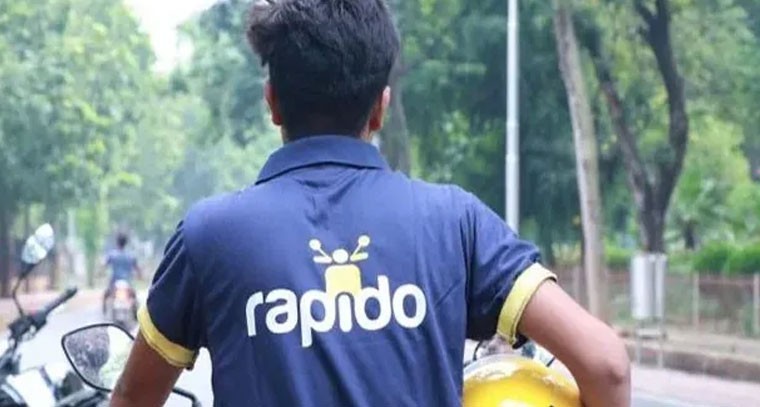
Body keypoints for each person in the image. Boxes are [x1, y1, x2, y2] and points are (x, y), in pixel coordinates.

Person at [112, 0, 631, 406]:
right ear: (381, 107)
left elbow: (134, 398)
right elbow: (606, 367)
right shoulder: (455, 222)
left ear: (272, 102)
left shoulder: (208, 238)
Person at [102, 232, 141, 316]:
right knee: (134, 297)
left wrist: (100, 273)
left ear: (117, 242)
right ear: (126, 243)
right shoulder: (131, 255)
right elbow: (137, 268)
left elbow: (104, 266)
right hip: (128, 283)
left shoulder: (112, 254)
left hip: (114, 283)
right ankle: (136, 315)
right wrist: (140, 276)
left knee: (106, 295)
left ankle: (104, 313)